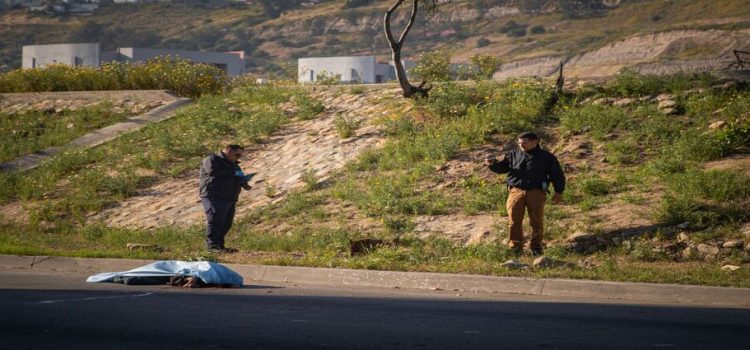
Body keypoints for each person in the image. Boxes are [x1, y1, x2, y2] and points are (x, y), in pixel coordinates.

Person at [485, 132, 565, 255]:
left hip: (536, 192)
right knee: (514, 221)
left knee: (536, 221)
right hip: (515, 191)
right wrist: (493, 165)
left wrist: (558, 191)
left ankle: (536, 248)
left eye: (524, 143)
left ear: (535, 142)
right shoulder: (513, 154)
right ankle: (515, 248)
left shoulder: (547, 157)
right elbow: (502, 168)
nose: (522, 145)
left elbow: (557, 175)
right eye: (519, 143)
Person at [199, 144, 253, 252]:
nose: (238, 158)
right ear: (228, 150)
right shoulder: (211, 159)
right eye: (237, 154)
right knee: (215, 219)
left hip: (229, 197)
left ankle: (220, 246)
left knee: (226, 222)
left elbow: (237, 177)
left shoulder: (234, 164)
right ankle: (211, 246)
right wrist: (234, 173)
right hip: (214, 195)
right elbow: (213, 172)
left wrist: (244, 182)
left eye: (240, 156)